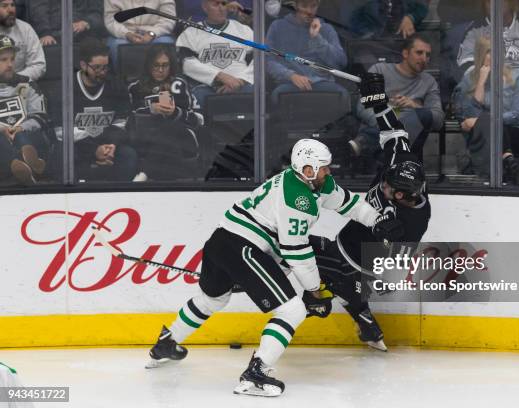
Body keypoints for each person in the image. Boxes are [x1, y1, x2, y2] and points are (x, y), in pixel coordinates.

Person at [147, 138, 397, 397]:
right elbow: (296, 253)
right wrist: (314, 291)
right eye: (324, 167)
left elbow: (348, 203)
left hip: (222, 241)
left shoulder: (309, 181)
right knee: (292, 310)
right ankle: (256, 374)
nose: (329, 171)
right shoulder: (296, 200)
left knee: (212, 300)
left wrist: (376, 220)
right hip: (243, 247)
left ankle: (167, 342)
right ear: (308, 170)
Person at [312, 72, 430, 351]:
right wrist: (379, 103)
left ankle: (344, 303)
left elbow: (392, 272)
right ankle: (363, 318)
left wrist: (371, 278)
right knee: (332, 274)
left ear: (401, 197)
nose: (383, 183)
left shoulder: (411, 224)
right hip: (348, 239)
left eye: (388, 187)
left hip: (366, 261)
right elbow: (395, 133)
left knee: (302, 251)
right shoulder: (403, 163)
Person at [454, 36, 519, 185]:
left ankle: (501, 163)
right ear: (480, 54)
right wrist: (481, 82)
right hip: (484, 136)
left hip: (516, 131)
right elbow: (468, 117)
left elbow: (518, 115)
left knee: (490, 124)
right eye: (489, 52)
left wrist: (487, 120)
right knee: (488, 127)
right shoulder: (468, 79)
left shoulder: (516, 77)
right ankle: (509, 162)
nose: (494, 56)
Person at [353, 33, 443, 162]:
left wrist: (414, 105)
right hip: (387, 136)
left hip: (404, 143)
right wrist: (391, 120)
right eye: (419, 53)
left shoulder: (429, 82)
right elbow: (362, 108)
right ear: (405, 54)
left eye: (427, 55)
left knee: (424, 114)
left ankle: (368, 140)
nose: (424, 59)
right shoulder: (379, 70)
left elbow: (438, 119)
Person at [128, 44, 203, 180]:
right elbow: (129, 119)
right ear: (148, 65)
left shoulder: (179, 85)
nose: (161, 70)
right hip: (147, 138)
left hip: (182, 138)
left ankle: (144, 174)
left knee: (170, 127)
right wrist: (151, 110)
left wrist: (175, 112)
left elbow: (196, 120)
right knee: (168, 146)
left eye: (165, 65)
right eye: (156, 65)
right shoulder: (135, 87)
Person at [72, 37, 139, 182]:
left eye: (105, 67)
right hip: (80, 148)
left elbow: (122, 122)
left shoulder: (116, 86)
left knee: (129, 155)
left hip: (109, 146)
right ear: (83, 65)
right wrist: (93, 150)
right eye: (97, 68)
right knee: (63, 156)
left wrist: (111, 145)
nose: (102, 72)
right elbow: (61, 130)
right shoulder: (66, 88)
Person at [457, 0, 519, 94]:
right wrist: (488, 78)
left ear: (512, 2)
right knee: (464, 89)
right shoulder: (476, 28)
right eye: (489, 1)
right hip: (489, 80)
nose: (494, 4)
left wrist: (514, 76)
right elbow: (465, 61)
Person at [266, 0, 349, 106]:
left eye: (313, 6)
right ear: (295, 6)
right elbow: (269, 61)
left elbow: (340, 63)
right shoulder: (277, 26)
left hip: (323, 83)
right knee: (278, 96)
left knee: (343, 95)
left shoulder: (326, 29)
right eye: (304, 6)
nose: (309, 11)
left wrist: (317, 38)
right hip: (289, 83)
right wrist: (290, 75)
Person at [176, 0, 254, 110]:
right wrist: (219, 76)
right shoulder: (192, 32)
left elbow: (259, 60)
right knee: (197, 97)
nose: (221, 8)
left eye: (224, 4)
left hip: (243, 86)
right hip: (207, 88)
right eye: (216, 4)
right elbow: (186, 63)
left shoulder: (244, 31)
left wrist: (241, 80)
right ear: (205, 7)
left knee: (257, 95)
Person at [0, 35, 49, 185]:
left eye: (12, 59)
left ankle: (28, 164)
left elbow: (41, 117)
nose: (10, 64)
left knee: (23, 136)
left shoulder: (27, 83)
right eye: (3, 60)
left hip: (27, 136)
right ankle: (22, 166)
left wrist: (21, 127)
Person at [104, 0, 176, 68]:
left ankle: (164, 80)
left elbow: (168, 19)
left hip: (156, 33)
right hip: (124, 33)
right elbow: (111, 20)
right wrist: (127, 34)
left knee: (166, 44)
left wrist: (152, 33)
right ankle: (124, 79)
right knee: (117, 45)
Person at [0, 0, 45, 81]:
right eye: (4, 6)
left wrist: (16, 78)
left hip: (19, 86)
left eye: (12, 5)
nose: (11, 10)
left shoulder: (25, 29)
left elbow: (39, 65)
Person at [29, 0, 104, 45]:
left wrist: (86, 22)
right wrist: (45, 33)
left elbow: (97, 14)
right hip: (53, 34)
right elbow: (38, 12)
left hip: (84, 35)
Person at [346, 0, 430, 40]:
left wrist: (411, 18)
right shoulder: (365, 4)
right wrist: (369, 34)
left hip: (402, 43)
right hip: (371, 45)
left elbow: (423, 6)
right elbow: (352, 18)